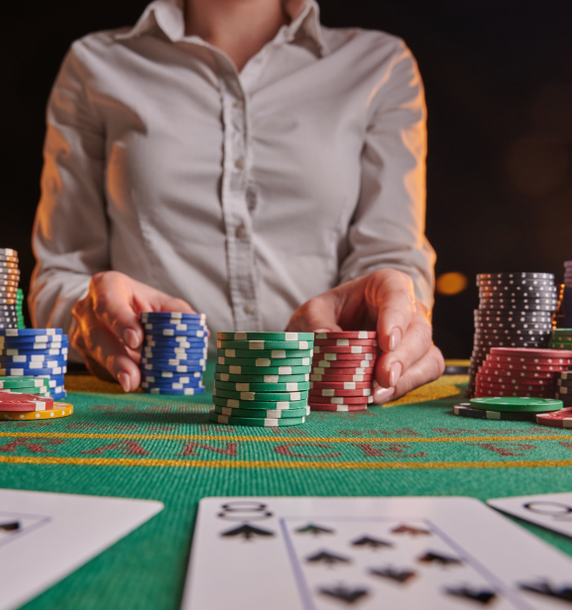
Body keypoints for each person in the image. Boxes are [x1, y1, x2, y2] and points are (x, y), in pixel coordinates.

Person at [29, 0, 444, 404]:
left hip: (316, 405)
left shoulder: (381, 64)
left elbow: (392, 261)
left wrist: (397, 319)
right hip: (147, 405)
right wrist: (90, 318)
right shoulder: (94, 64)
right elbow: (60, 277)